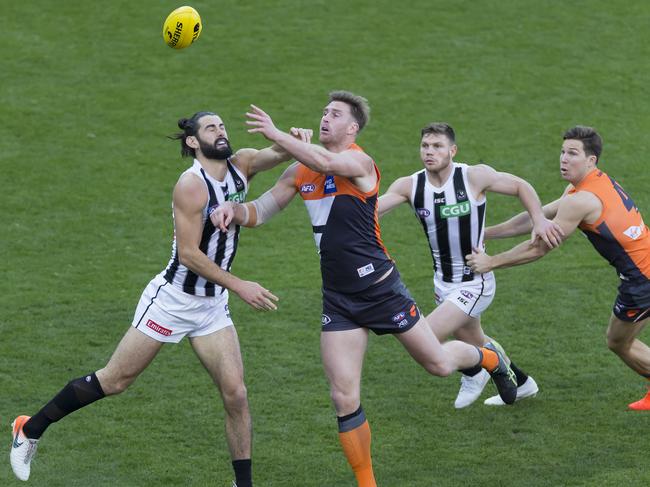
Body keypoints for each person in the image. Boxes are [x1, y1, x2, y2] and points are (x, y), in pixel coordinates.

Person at [210, 91, 518, 487]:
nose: (324, 118)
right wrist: (233, 211)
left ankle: (489, 360)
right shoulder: (301, 171)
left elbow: (324, 160)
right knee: (343, 397)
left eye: (334, 114)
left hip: (380, 289)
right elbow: (262, 210)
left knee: (438, 364)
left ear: (352, 128)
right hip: (338, 299)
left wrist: (275, 135)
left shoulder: (359, 162)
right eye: (323, 112)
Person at [10, 111, 304, 485]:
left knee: (236, 395)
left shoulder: (242, 163)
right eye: (211, 128)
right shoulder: (191, 186)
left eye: (222, 126)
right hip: (174, 300)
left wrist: (291, 138)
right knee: (115, 380)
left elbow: (278, 154)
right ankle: (29, 428)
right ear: (194, 142)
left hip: (211, 307)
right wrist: (239, 284)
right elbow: (189, 255)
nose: (220, 131)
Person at [378, 122, 563, 408]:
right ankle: (523, 382)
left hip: (475, 280)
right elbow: (372, 211)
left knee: (424, 338)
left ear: (452, 150)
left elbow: (520, 186)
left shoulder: (474, 176)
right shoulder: (409, 185)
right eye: (425, 146)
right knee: (476, 340)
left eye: (437, 146)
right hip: (443, 282)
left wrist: (539, 219)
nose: (430, 152)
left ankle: (475, 371)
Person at [467, 125, 650, 410]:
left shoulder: (581, 201)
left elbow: (539, 247)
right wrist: (483, 232)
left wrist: (491, 262)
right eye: (563, 152)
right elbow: (538, 218)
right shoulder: (587, 186)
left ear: (591, 160)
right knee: (621, 341)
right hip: (643, 271)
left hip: (642, 281)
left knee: (619, 343)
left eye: (573, 154)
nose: (563, 159)